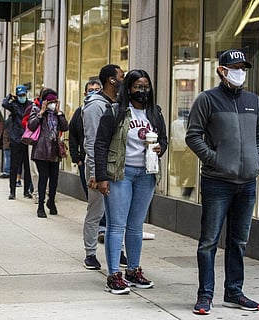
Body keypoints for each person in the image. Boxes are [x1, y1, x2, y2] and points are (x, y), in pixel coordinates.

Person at [186, 49, 259, 315]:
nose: (240, 72)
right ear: (221, 70)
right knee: (208, 241)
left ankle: (234, 291)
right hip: (217, 182)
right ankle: (205, 295)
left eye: (243, 67)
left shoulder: (253, 101)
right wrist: (215, 160)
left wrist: (258, 161)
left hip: (247, 183)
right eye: (234, 67)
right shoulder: (207, 100)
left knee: (239, 241)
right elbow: (193, 136)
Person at [94, 69, 167, 294]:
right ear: (128, 88)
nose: (142, 91)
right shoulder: (115, 112)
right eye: (137, 86)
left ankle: (133, 270)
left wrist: (160, 148)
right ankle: (114, 275)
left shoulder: (156, 113)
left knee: (136, 226)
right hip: (120, 173)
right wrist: (101, 177)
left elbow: (163, 139)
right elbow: (100, 145)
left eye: (146, 87)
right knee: (116, 225)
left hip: (146, 174)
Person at [81, 65, 124, 270]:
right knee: (96, 211)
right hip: (98, 166)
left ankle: (118, 251)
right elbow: (91, 141)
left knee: (118, 214)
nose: (124, 78)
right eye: (121, 75)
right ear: (111, 80)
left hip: (117, 165)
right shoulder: (94, 106)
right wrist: (95, 173)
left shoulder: (119, 103)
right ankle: (90, 253)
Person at [27, 88, 69, 218]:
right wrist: (42, 112)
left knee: (54, 179)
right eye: (49, 101)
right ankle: (41, 205)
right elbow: (31, 125)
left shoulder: (57, 113)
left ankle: (51, 201)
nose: (51, 103)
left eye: (54, 100)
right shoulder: (36, 109)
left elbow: (65, 127)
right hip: (41, 149)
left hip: (54, 150)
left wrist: (59, 113)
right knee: (43, 177)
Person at [69, 79, 102, 200]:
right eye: (90, 91)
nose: (94, 93)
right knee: (91, 196)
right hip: (85, 160)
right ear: (85, 94)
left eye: (97, 90)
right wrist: (77, 158)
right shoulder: (79, 112)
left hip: (102, 161)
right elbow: (72, 135)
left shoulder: (105, 109)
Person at [2, 85, 33, 200]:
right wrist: (10, 96)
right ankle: (12, 191)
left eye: (23, 95)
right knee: (14, 167)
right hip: (16, 138)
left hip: (28, 139)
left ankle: (27, 191)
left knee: (28, 167)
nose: (22, 97)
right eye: (20, 95)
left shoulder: (30, 105)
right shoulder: (14, 106)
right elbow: (4, 103)